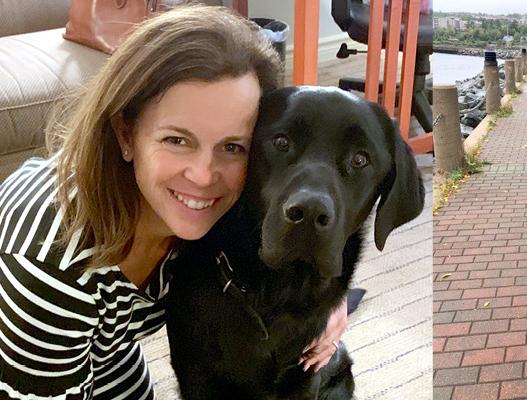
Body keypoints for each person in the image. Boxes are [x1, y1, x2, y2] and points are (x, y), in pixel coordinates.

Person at [0, 6, 345, 398]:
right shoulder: (50, 264)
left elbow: (294, 248)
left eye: (232, 146)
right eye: (177, 140)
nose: (203, 176)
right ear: (126, 134)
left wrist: (329, 303)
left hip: (109, 342)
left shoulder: (235, 198)